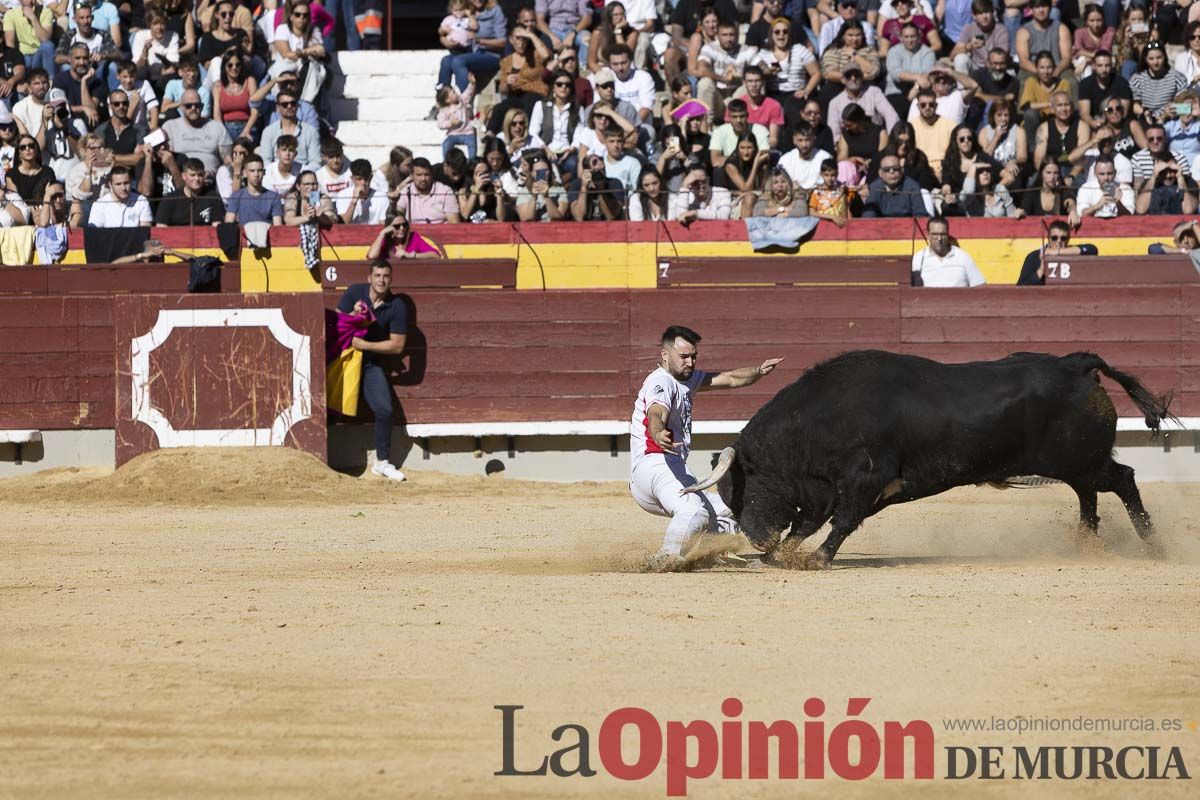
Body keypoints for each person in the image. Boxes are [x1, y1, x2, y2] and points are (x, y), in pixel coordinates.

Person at [629, 324, 783, 570]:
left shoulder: (688, 379)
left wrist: (759, 371)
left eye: (693, 356)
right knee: (694, 512)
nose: (689, 362)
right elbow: (656, 411)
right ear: (665, 355)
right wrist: (657, 432)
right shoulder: (660, 382)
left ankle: (711, 552)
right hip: (655, 465)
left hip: (675, 469)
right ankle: (666, 558)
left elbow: (731, 378)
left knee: (732, 508)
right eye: (683, 357)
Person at [335, 259, 409, 482]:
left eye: (386, 276)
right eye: (377, 275)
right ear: (369, 278)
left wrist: (366, 346)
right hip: (342, 359)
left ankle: (382, 462)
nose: (381, 280)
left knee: (384, 409)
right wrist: (352, 314)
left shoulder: (396, 306)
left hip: (369, 363)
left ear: (391, 279)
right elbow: (337, 323)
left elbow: (397, 345)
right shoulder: (355, 292)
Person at [162, 88, 232, 177]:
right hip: (180, 180)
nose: (193, 108)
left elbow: (227, 160)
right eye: (188, 106)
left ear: (202, 106)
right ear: (181, 107)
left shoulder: (217, 127)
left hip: (211, 179)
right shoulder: (170, 127)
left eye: (197, 105)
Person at [828, 63, 898, 141]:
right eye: (848, 76)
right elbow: (834, 133)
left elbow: (891, 115)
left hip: (875, 140)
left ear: (862, 78)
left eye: (857, 75)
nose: (853, 78)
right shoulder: (835, 103)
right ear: (843, 80)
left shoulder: (874, 92)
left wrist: (891, 138)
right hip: (850, 144)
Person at [911, 215, 985, 287]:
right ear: (928, 235)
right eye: (935, 234)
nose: (939, 238)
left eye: (943, 234)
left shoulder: (963, 257)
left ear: (947, 234)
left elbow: (979, 286)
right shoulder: (918, 258)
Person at [1017, 220, 1098, 284]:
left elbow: (1092, 249)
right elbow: (1021, 287)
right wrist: (1040, 271)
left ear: (1068, 239)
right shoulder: (1034, 256)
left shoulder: (1072, 252)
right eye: (1054, 238)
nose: (1059, 241)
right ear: (1048, 238)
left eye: (1063, 238)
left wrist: (1058, 252)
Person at [257, 90, 320, 169]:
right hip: (276, 177)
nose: (289, 106)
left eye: (293, 103)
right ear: (278, 107)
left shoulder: (310, 131)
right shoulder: (268, 132)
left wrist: (302, 175)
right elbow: (265, 160)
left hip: (303, 176)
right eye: (285, 104)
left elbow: (315, 162)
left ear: (297, 106)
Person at [156, 156, 225, 225]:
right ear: (184, 176)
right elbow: (161, 227)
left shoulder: (213, 198)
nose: (197, 179)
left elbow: (216, 227)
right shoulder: (170, 199)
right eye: (192, 175)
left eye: (200, 175)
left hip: (205, 235)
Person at [393, 156, 461, 224]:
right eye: (419, 175)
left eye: (426, 175)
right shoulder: (406, 191)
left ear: (431, 174)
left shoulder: (446, 192)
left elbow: (454, 223)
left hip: (439, 233)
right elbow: (396, 216)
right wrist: (393, 203)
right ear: (411, 176)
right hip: (414, 233)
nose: (423, 179)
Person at [1070, 156, 1134, 225]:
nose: (1106, 178)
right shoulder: (1086, 188)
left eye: (1109, 173)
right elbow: (1081, 214)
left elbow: (1131, 217)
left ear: (1115, 173)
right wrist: (1097, 206)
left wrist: (1118, 203)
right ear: (1095, 173)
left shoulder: (1125, 189)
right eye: (1102, 174)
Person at [224, 153, 284, 225]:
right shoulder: (237, 196)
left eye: (259, 170)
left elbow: (277, 228)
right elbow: (228, 224)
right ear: (244, 173)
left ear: (264, 172)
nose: (256, 174)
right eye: (252, 171)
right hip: (243, 235)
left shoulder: (274, 197)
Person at [862, 152, 927, 217]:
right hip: (882, 225)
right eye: (887, 169)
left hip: (907, 225)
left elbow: (920, 214)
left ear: (902, 170)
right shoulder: (875, 187)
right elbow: (868, 215)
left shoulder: (912, 186)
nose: (892, 172)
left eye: (896, 168)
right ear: (880, 173)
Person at [87, 164, 151, 226]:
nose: (123, 188)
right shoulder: (99, 204)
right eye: (118, 184)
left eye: (126, 183)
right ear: (110, 185)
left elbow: (145, 231)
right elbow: (94, 232)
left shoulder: (141, 201)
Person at [567, 151, 624, 220]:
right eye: (594, 162)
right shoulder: (577, 184)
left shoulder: (614, 183)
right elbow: (579, 217)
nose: (600, 163)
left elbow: (611, 216)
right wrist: (584, 188)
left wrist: (601, 191)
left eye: (601, 159)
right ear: (587, 170)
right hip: (585, 228)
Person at [779, 121, 833, 190]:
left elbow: (829, 185)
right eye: (800, 140)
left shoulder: (825, 158)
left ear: (814, 138)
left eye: (807, 140)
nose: (804, 145)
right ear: (794, 140)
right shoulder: (785, 160)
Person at [367, 211, 442, 259]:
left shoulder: (413, 238)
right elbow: (371, 256)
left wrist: (410, 255)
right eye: (397, 226)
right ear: (389, 227)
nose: (402, 228)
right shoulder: (384, 240)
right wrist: (381, 234)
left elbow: (435, 255)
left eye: (404, 225)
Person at [33, 180, 75, 262]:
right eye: (54, 197)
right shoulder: (38, 210)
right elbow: (43, 223)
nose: (58, 200)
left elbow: (75, 223)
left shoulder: (70, 208)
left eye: (60, 195)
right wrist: (47, 197)